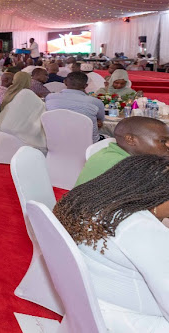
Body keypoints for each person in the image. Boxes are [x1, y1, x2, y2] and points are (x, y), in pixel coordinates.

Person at [53, 155, 169, 331]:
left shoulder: (96, 204)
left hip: (95, 304)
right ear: (158, 196)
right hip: (130, 321)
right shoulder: (141, 228)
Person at [75, 117, 169, 186]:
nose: (167, 145)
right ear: (130, 139)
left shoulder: (114, 151)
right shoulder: (122, 166)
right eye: (163, 141)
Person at [45, 71, 105, 143]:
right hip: (88, 144)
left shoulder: (50, 97)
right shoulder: (95, 102)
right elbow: (100, 120)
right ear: (86, 86)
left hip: (56, 141)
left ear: (65, 82)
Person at [0, 72, 47, 152]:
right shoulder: (26, 93)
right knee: (39, 128)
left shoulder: (10, 91)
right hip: (15, 128)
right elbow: (42, 107)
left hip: (2, 124)